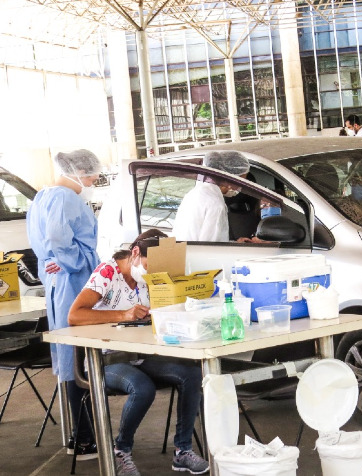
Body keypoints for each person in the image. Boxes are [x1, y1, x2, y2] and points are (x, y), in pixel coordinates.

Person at [68, 229, 208, 476]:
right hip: (105, 359)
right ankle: (121, 451)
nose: (152, 274)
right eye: (149, 266)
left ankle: (182, 451)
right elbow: (75, 315)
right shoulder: (107, 272)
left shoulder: (148, 281)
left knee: (192, 374)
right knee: (142, 388)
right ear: (135, 253)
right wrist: (124, 314)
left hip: (138, 355)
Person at [26, 149, 103, 459]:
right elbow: (60, 239)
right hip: (73, 283)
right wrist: (72, 261)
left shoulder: (42, 196)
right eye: (93, 173)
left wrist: (55, 262)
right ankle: (84, 438)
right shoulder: (65, 198)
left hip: (60, 285)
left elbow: (44, 244)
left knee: (70, 357)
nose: (95, 178)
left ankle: (78, 436)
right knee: (79, 359)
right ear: (80, 172)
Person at [173, 150, 250, 242]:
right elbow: (212, 247)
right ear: (231, 178)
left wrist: (234, 243)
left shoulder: (193, 194)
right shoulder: (215, 204)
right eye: (241, 182)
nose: (240, 187)